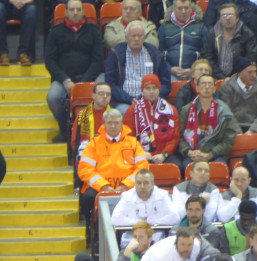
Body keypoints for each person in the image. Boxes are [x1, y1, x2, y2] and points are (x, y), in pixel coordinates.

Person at [45, 0, 103, 143]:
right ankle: (65, 130)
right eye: (72, 9)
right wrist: (66, 81)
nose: (75, 12)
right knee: (52, 97)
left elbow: (98, 60)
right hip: (64, 80)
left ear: (84, 11)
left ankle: (98, 130)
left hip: (91, 77)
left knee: (104, 93)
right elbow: (50, 61)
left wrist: (84, 83)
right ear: (66, 12)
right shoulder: (54, 32)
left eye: (78, 9)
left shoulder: (94, 31)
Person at [78, 109, 149, 223]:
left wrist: (126, 185)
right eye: (109, 123)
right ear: (104, 124)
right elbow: (85, 170)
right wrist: (103, 186)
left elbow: (142, 168)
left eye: (116, 123)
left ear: (122, 124)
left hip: (129, 188)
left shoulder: (133, 143)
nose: (113, 126)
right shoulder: (94, 144)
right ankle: (92, 231)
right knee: (87, 198)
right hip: (100, 188)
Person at [106, 20, 171, 115]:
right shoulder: (116, 53)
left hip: (152, 100)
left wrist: (153, 97)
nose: (136, 39)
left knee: (165, 111)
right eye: (133, 36)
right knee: (124, 112)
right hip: (125, 101)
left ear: (144, 38)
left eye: (139, 36)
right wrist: (129, 99)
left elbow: (166, 83)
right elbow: (111, 83)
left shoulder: (155, 54)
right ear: (126, 38)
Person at [178, 74, 240, 167]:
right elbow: (179, 136)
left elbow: (228, 140)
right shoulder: (186, 110)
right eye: (203, 84)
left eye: (210, 84)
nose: (206, 87)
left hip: (215, 154)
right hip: (193, 154)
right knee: (187, 166)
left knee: (219, 167)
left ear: (214, 89)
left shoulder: (224, 111)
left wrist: (210, 154)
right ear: (197, 88)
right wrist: (188, 151)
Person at [123, 74, 181, 167]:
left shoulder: (171, 110)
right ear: (142, 90)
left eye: (154, 88)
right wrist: (140, 152)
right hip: (140, 153)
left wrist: (164, 154)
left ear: (159, 89)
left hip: (165, 154)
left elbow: (175, 138)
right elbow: (128, 137)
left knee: (177, 167)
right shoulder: (132, 110)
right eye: (148, 88)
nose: (151, 91)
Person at [202, 2, 257, 79]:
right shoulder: (211, 34)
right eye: (224, 15)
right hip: (215, 77)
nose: (227, 18)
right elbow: (207, 58)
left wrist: (235, 77)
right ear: (219, 18)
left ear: (237, 18)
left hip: (240, 77)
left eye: (230, 15)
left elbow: (250, 58)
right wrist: (221, 77)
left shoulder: (247, 34)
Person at [217, 56, 257, 134]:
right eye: (250, 72)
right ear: (239, 73)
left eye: (255, 71)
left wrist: (252, 130)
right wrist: (238, 132)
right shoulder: (227, 87)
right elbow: (226, 113)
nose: (254, 75)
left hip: (256, 129)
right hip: (232, 128)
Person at [111, 168, 180, 227]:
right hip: (131, 238)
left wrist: (152, 222)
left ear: (152, 183)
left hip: (157, 238)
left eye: (146, 183)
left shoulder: (162, 195)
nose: (142, 186)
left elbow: (175, 218)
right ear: (135, 183)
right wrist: (140, 223)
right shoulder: (127, 196)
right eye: (139, 183)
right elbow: (115, 219)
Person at [157, 0, 207, 81]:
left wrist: (193, 69)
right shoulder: (164, 27)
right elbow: (158, 54)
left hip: (194, 73)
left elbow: (205, 54)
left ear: (191, 9)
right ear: (174, 9)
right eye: (180, 8)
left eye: (186, 8)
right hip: (169, 72)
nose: (183, 11)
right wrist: (170, 68)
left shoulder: (201, 27)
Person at [71, 83, 111, 159]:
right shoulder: (82, 115)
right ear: (93, 95)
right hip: (88, 153)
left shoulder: (115, 116)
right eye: (101, 93)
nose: (105, 96)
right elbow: (75, 142)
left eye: (108, 94)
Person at [0, 0, 36, 66]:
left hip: (23, 5)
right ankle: (2, 54)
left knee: (31, 9)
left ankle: (23, 53)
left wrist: (23, 2)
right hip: (5, 4)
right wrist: (13, 1)